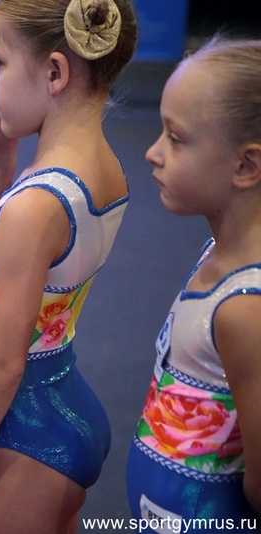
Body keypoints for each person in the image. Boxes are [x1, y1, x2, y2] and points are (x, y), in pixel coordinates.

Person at [0, 0, 138, 532]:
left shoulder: (38, 205)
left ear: (55, 73)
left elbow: (1, 364)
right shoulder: (99, 168)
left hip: (29, 432)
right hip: (60, 396)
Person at [126, 37, 261, 532]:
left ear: (246, 166)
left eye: (176, 139)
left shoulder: (245, 309)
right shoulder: (216, 253)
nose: (152, 153)